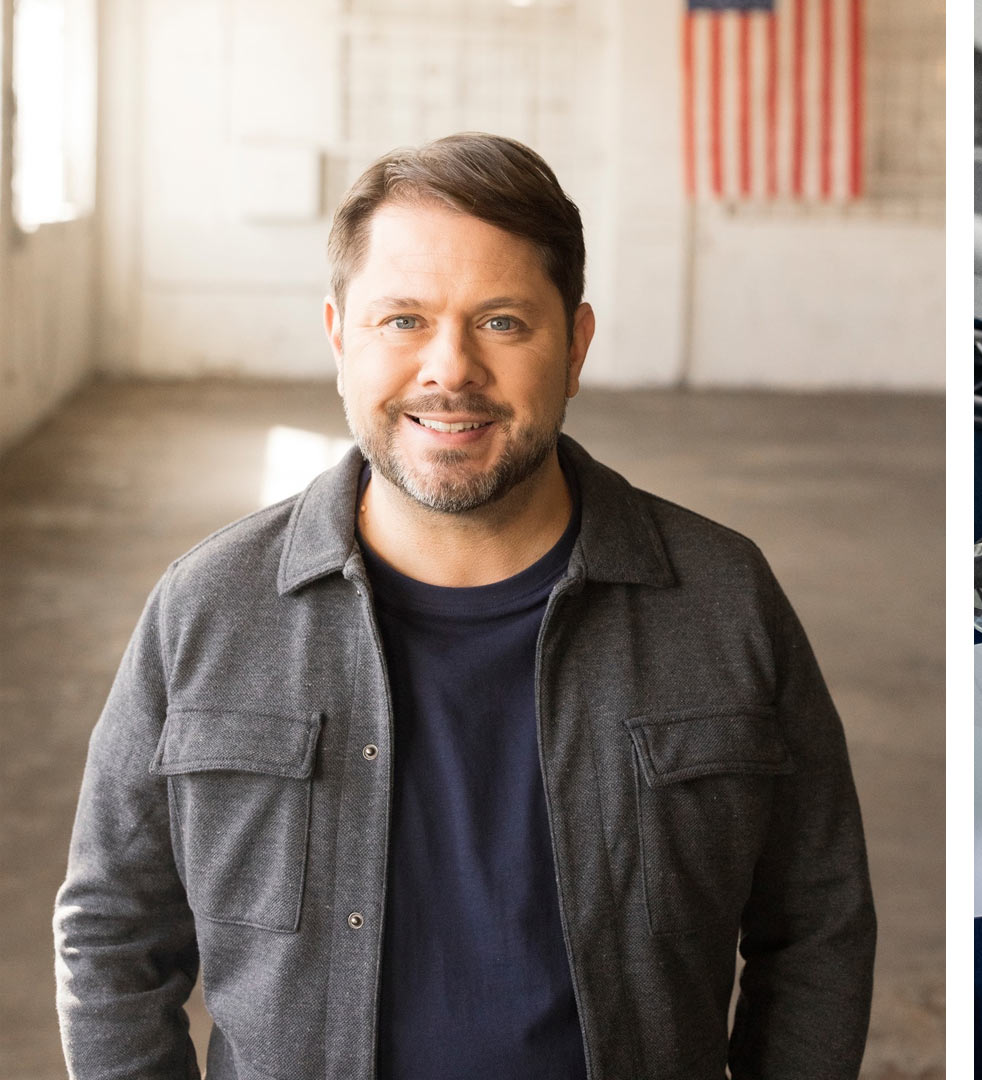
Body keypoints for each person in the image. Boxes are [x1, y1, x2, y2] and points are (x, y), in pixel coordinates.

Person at [52, 133, 876, 1079]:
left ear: (575, 345)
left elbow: (817, 923)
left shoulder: (723, 601)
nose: (449, 371)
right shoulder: (207, 611)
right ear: (339, 339)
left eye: (502, 323)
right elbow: (113, 934)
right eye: (402, 320)